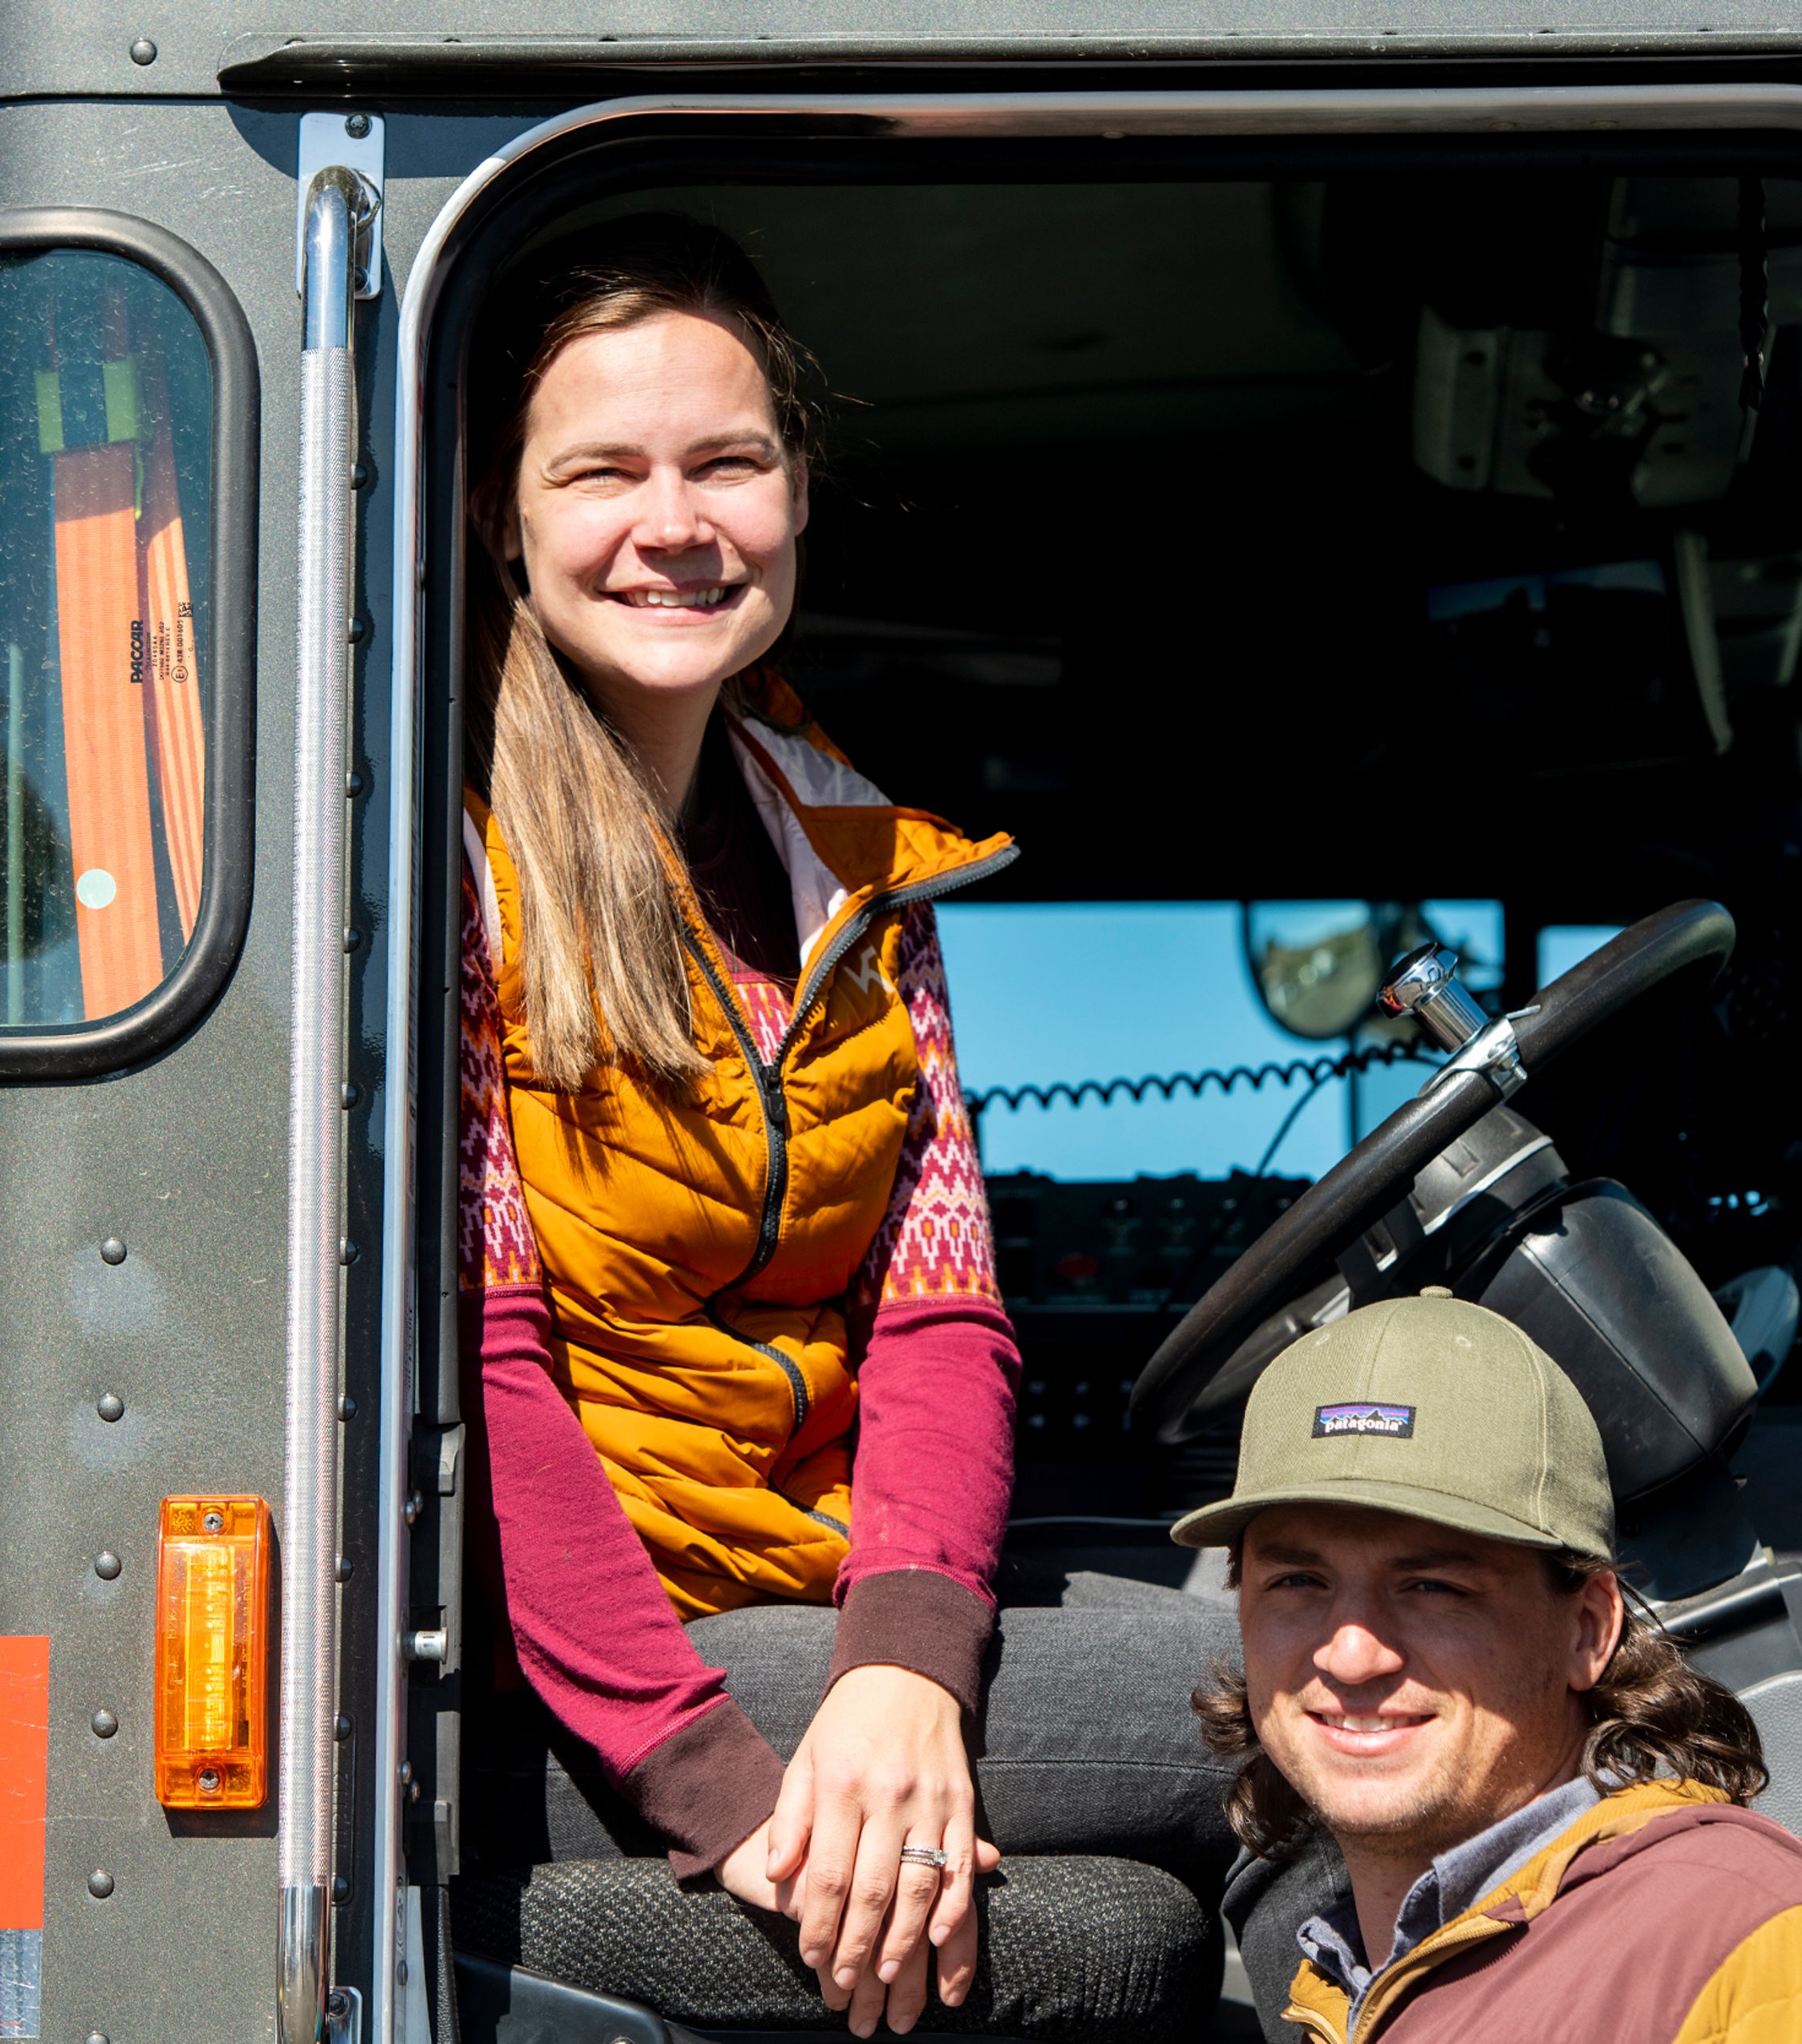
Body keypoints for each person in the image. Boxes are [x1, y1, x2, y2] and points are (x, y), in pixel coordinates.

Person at [455, 212, 1235, 2038]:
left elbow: (939, 1318)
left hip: (815, 1605)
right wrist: (730, 1790)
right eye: (602, 471)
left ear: (793, 493)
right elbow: (488, 1378)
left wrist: (901, 1671)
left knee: (1146, 1892)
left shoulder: (854, 863)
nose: (675, 519)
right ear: (504, 513)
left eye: (726, 460)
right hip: (605, 1659)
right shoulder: (451, 867)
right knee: (1317, 1685)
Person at [1178, 1292, 1802, 2043]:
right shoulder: (1347, 1975)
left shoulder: (1776, 1958)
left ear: (1588, 1626)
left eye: (1433, 1586)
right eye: (1296, 1581)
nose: (1351, 1652)